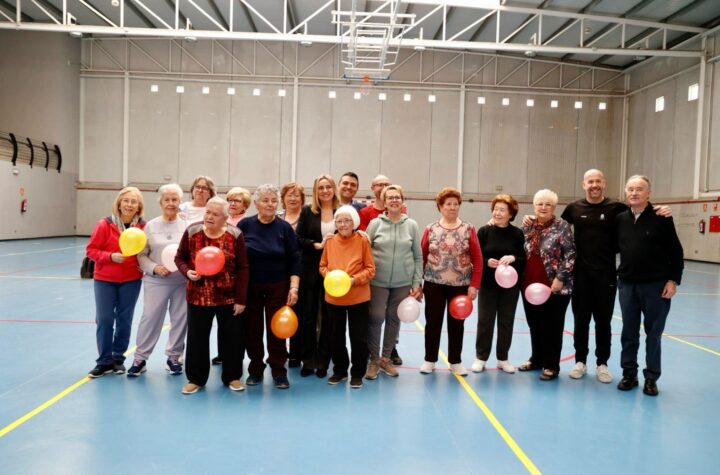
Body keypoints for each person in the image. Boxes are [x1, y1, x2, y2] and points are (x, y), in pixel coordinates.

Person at [562, 169, 672, 383]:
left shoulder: (618, 209)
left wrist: (662, 208)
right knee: (580, 320)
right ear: (584, 184)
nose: (594, 185)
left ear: (604, 183)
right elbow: (557, 228)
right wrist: (531, 219)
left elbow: (641, 208)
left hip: (607, 276)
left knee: (604, 322)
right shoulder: (573, 208)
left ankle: (602, 363)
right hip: (581, 275)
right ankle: (580, 361)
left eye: (598, 181)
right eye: (590, 181)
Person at [616, 175, 683, 396]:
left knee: (653, 333)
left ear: (648, 193)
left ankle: (651, 377)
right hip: (627, 285)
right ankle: (629, 374)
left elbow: (676, 252)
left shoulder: (662, 218)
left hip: (655, 286)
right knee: (628, 332)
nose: (634, 193)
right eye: (630, 189)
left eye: (639, 189)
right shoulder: (620, 219)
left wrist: (672, 280)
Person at [175, 197, 249, 395]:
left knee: (232, 339)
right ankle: (195, 379)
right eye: (208, 212)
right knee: (197, 339)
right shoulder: (192, 231)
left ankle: (232, 377)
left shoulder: (235, 234)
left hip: (228, 297)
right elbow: (179, 257)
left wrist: (241, 299)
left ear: (226, 217)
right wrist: (187, 271)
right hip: (198, 296)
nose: (209, 216)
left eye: (215, 214)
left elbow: (243, 268)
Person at [238, 184, 301, 389]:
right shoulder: (245, 225)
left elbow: (294, 259)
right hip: (251, 286)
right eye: (265, 200)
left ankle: (278, 371)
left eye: (273, 200)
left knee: (277, 330)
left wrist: (294, 287)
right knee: (252, 329)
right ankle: (255, 369)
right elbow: (237, 258)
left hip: (279, 286)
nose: (270, 204)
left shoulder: (284, 228)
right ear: (256, 204)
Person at [420, 187, 483, 376]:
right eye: (448, 204)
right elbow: (421, 256)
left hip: (460, 285)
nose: (452, 207)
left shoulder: (468, 229)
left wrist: (474, 285)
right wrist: (417, 282)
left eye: (456, 204)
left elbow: (478, 259)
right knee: (433, 323)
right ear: (440, 206)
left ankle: (455, 361)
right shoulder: (430, 229)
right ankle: (429, 360)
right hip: (433, 283)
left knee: (457, 324)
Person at [86, 187, 146, 377]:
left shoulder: (143, 227)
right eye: (126, 200)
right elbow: (91, 250)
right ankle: (104, 361)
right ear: (119, 203)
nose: (129, 204)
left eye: (133, 201)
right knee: (104, 319)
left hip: (131, 279)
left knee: (124, 319)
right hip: (105, 279)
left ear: (139, 206)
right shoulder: (104, 224)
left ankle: (118, 358)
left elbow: (147, 251)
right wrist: (110, 256)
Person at [129, 184, 188, 377]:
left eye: (175, 200)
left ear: (180, 202)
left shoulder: (187, 226)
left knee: (181, 318)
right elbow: (142, 255)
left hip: (181, 281)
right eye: (167, 200)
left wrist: (185, 269)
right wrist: (154, 268)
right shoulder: (150, 226)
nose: (171, 203)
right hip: (156, 281)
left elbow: (192, 254)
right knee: (150, 318)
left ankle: (174, 357)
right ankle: (140, 358)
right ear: (161, 203)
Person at [365, 185, 422, 379]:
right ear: (384, 202)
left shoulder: (412, 225)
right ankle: (373, 360)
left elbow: (417, 257)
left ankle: (386, 359)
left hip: (402, 283)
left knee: (393, 319)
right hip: (377, 281)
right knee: (376, 317)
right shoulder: (375, 224)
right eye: (390, 198)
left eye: (397, 197)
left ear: (402, 200)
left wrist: (416, 283)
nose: (394, 200)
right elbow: (365, 252)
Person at [519, 189, 576, 381]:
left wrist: (561, 278)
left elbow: (570, 255)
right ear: (534, 206)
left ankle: (552, 366)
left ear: (554, 207)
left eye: (548, 204)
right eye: (539, 204)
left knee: (552, 327)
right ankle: (537, 359)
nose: (543, 208)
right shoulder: (528, 226)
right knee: (534, 324)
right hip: (529, 285)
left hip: (555, 286)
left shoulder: (563, 226)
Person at [319, 205, 375, 388]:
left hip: (358, 296)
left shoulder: (362, 241)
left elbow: (370, 269)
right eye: (339, 221)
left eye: (346, 220)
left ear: (354, 223)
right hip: (334, 298)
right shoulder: (330, 241)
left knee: (358, 337)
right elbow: (322, 266)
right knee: (336, 336)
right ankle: (340, 371)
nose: (342, 224)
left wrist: (352, 280)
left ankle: (357, 373)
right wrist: (330, 276)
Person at [473, 194, 526, 374]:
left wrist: (513, 258)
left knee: (506, 322)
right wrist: (487, 261)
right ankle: (480, 358)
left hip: (510, 286)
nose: (497, 213)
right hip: (488, 284)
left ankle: (502, 358)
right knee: (485, 322)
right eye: (495, 209)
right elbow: (476, 257)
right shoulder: (484, 232)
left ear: (511, 214)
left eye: (502, 210)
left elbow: (523, 259)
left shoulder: (518, 233)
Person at [295, 175, 340, 378]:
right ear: (315, 191)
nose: (324, 191)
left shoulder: (342, 212)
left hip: (334, 273)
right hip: (310, 270)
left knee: (328, 319)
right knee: (308, 317)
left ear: (333, 189)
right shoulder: (307, 211)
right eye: (320, 187)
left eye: (328, 187)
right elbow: (298, 238)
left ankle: (323, 361)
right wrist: (316, 245)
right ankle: (308, 360)